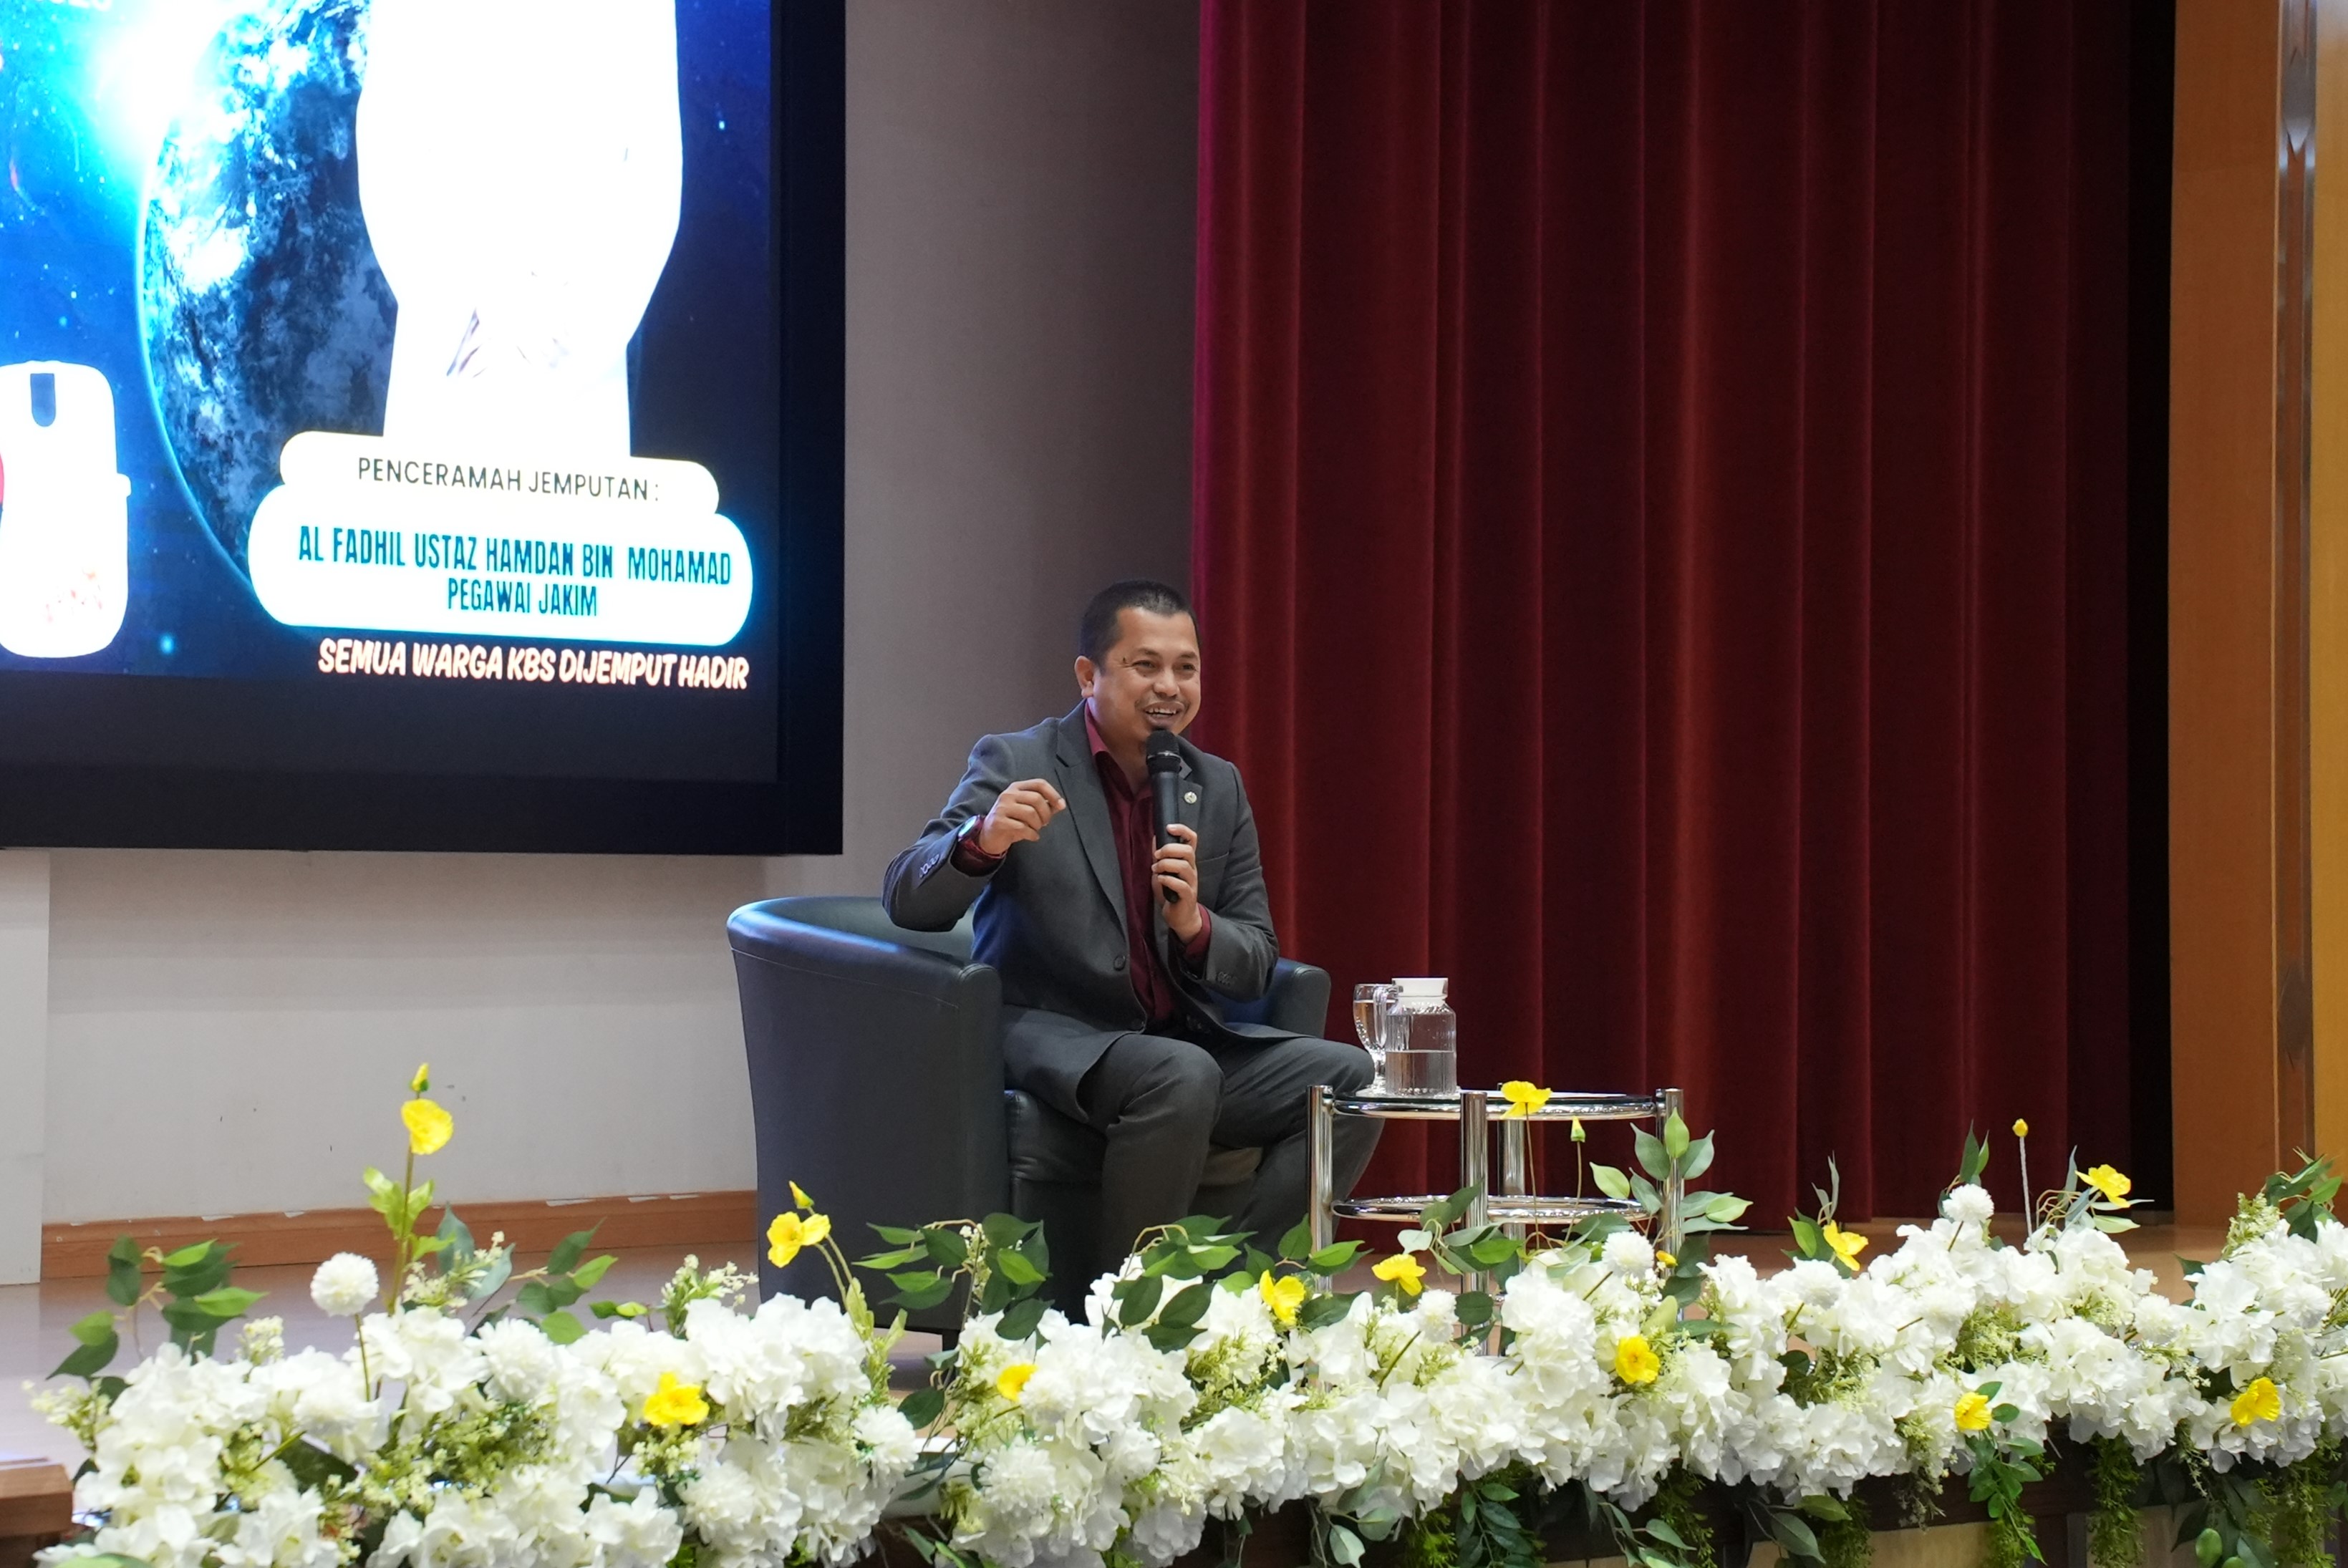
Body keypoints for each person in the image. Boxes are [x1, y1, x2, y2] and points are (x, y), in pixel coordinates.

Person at [883, 579, 1381, 1262]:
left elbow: (1257, 958)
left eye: (1186, 668)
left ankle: (1248, 1287)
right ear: (1088, 676)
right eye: (1145, 665)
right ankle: (1129, 1304)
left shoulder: (1217, 784)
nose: (1169, 687)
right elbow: (906, 899)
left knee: (1353, 1081)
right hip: (1051, 1030)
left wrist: (1194, 926)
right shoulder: (1018, 760)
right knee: (1180, 1074)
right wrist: (982, 840)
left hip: (1178, 1039)